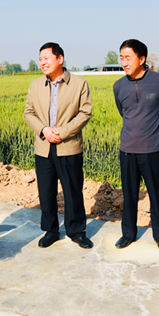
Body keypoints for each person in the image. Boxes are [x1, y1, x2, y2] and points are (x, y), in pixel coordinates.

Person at [24, 42, 93, 249]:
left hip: (69, 146)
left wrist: (62, 132)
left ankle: (76, 231)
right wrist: (44, 130)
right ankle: (51, 231)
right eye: (40, 59)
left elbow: (85, 112)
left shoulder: (79, 84)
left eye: (46, 58)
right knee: (46, 192)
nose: (42, 62)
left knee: (72, 191)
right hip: (43, 147)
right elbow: (29, 113)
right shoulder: (35, 85)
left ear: (60, 59)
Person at [113, 39, 159, 252]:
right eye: (121, 58)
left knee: (156, 194)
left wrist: (157, 134)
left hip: (153, 149)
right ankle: (128, 234)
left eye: (128, 58)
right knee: (129, 194)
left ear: (142, 59)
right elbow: (124, 113)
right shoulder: (119, 86)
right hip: (127, 150)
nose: (124, 62)